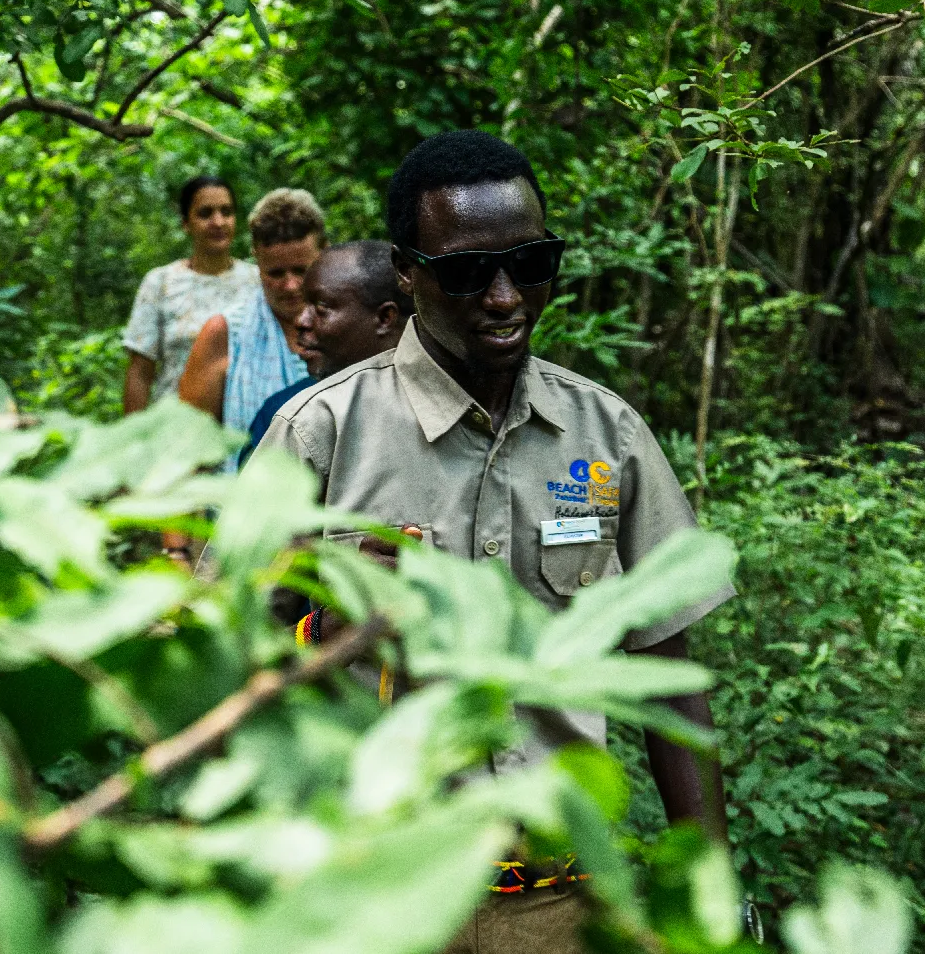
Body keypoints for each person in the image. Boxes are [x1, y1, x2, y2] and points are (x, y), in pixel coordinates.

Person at [254, 130, 731, 953]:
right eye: (469, 272)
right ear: (407, 273)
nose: (506, 297)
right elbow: (222, 670)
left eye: (531, 264)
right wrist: (325, 632)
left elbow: (668, 682)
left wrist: (712, 905)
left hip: (563, 906)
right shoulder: (319, 435)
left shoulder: (606, 435)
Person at [239, 240, 409, 466]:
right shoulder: (284, 415)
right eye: (304, 305)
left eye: (321, 309)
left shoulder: (446, 402)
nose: (300, 321)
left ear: (384, 318)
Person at [177, 189, 324, 438]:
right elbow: (188, 448)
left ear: (324, 253)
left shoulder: (352, 325)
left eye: (301, 271)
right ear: (256, 259)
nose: (290, 286)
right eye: (275, 274)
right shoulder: (225, 334)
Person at [120, 176, 261, 416]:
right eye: (205, 214)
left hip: (246, 427)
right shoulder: (161, 283)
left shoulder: (258, 281)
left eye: (226, 212)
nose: (218, 222)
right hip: (177, 431)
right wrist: (136, 442)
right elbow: (140, 373)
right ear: (186, 223)